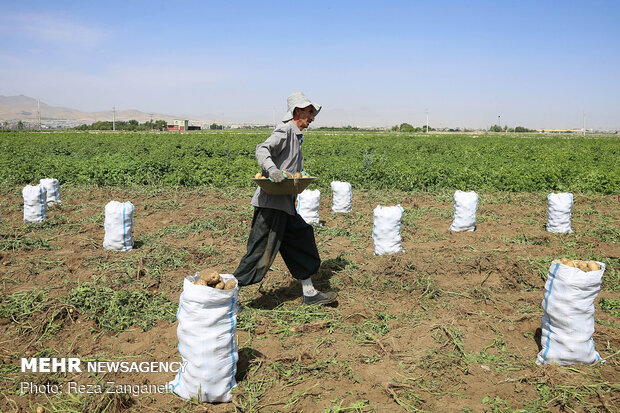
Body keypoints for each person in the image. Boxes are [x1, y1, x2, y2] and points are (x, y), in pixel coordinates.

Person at [233, 92, 337, 306]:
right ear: (297, 111)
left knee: (301, 240)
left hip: (285, 205)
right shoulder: (285, 130)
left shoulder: (297, 135)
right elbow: (262, 150)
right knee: (259, 254)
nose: (313, 117)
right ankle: (227, 299)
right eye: (309, 112)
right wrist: (272, 170)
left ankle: (309, 293)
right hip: (271, 206)